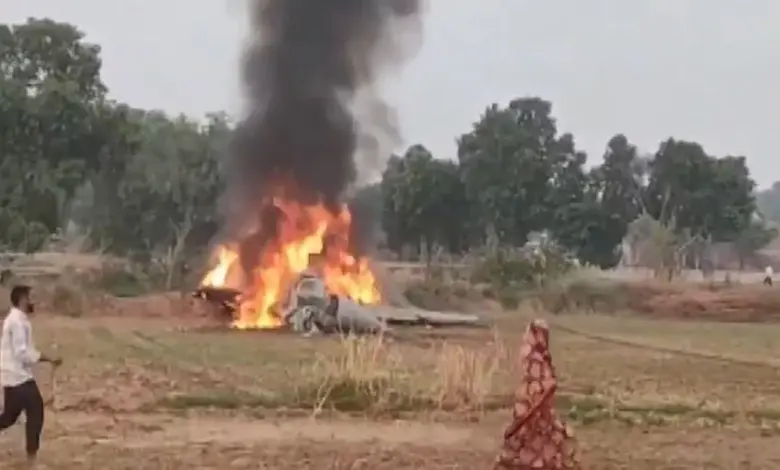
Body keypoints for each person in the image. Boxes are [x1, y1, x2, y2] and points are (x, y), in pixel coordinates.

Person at [494, 319, 579, 469]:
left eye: (529, 333)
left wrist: (521, 420)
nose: (525, 337)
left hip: (536, 417)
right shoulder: (537, 359)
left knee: (530, 448)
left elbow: (542, 392)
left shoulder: (535, 360)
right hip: (535, 416)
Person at [0, 285, 61, 464]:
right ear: (22, 299)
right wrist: (47, 358)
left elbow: (26, 350)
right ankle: (31, 461)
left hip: (12, 374)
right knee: (36, 411)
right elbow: (22, 353)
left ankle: (31, 459)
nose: (32, 300)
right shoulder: (17, 322)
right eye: (29, 297)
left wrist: (47, 359)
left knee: (9, 417)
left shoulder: (18, 319)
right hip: (17, 375)